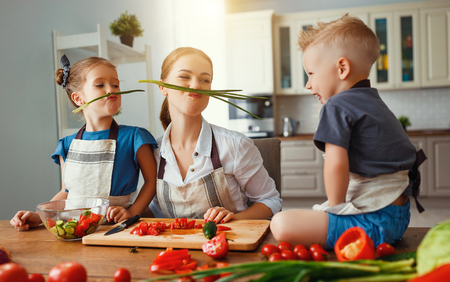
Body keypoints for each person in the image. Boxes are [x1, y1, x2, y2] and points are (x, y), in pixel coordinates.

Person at [270, 14, 426, 250]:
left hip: (370, 224)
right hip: (399, 218)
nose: (308, 84)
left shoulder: (337, 105)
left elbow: (336, 164)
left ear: (342, 68)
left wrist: (336, 208)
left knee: (280, 223)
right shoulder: (374, 102)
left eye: (311, 73)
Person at [10, 55, 157, 230]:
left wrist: (132, 213)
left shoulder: (135, 137)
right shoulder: (66, 145)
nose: (111, 90)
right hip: (73, 229)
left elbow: (152, 181)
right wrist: (41, 216)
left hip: (113, 228)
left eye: (115, 84)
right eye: (100, 85)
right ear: (79, 99)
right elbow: (67, 193)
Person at [147, 47, 282, 223]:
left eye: (205, 79)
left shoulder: (236, 146)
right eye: (185, 76)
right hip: (174, 248)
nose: (196, 85)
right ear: (163, 87)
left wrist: (235, 218)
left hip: (228, 244)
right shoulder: (153, 153)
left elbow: (271, 201)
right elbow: (156, 212)